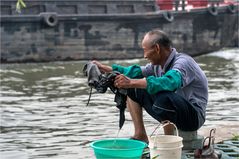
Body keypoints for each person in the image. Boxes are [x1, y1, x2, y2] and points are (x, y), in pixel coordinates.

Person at [93, 29, 208, 144]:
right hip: (175, 111)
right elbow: (134, 72)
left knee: (163, 97)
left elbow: (170, 82)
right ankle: (140, 135)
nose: (144, 56)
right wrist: (104, 68)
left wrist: (131, 82)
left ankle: (170, 143)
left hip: (194, 117)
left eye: (145, 50)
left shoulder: (183, 62)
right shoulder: (157, 65)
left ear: (157, 48)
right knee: (133, 89)